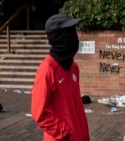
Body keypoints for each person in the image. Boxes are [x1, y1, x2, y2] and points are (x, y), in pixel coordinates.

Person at [31, 13, 90, 141]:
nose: (74, 37)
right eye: (68, 32)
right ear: (57, 37)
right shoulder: (47, 69)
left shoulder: (73, 67)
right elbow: (39, 113)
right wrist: (64, 133)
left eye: (73, 31)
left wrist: (84, 134)